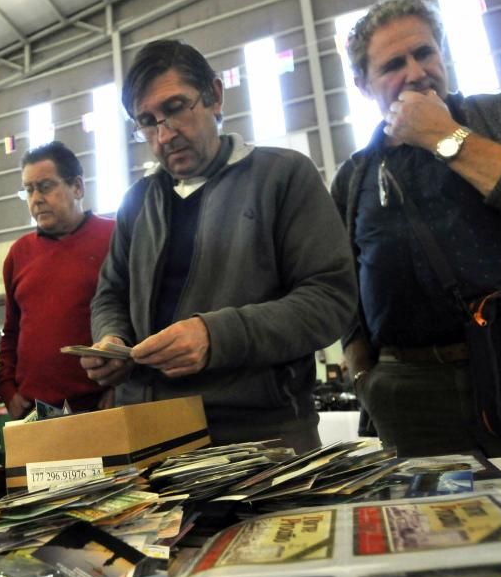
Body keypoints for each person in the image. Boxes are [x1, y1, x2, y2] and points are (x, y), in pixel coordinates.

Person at [331, 0, 501, 457]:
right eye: (392, 65)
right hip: (410, 395)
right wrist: (365, 374)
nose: (416, 72)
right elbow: (342, 282)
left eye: (424, 53)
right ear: (363, 84)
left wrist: (444, 136)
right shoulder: (353, 177)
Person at [83, 40, 357, 452]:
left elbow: (329, 300)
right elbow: (110, 294)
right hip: (149, 435)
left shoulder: (283, 177)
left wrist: (216, 335)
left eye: (175, 108)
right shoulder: (136, 202)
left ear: (214, 96)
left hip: (262, 438)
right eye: (147, 121)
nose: (165, 134)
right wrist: (111, 340)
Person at [0, 141, 116, 419]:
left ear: (77, 187)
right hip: (35, 412)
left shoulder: (116, 238)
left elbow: (140, 319)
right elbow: (10, 332)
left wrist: (126, 384)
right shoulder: (18, 254)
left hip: (101, 407)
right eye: (28, 189)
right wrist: (7, 390)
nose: (36, 198)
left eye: (45, 186)